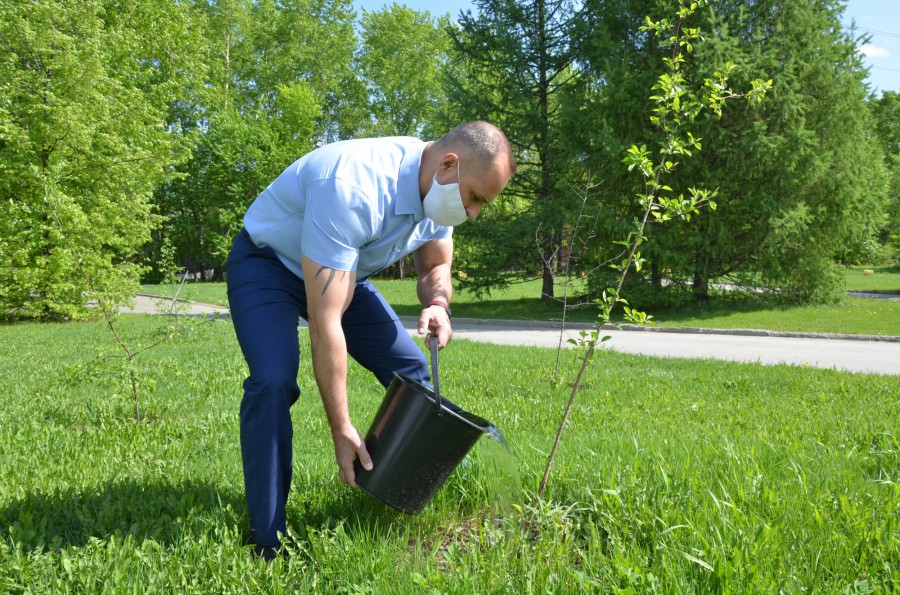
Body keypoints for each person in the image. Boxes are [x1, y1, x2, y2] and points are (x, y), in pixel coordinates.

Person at [225, 121, 516, 560]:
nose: (473, 212)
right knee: (273, 381)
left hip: (343, 271)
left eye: (482, 204)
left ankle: (399, 495)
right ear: (448, 165)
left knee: (414, 374)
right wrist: (341, 427)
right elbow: (327, 322)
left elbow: (434, 267)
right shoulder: (354, 185)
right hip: (268, 265)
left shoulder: (441, 196)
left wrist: (438, 302)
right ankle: (268, 538)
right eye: (475, 198)